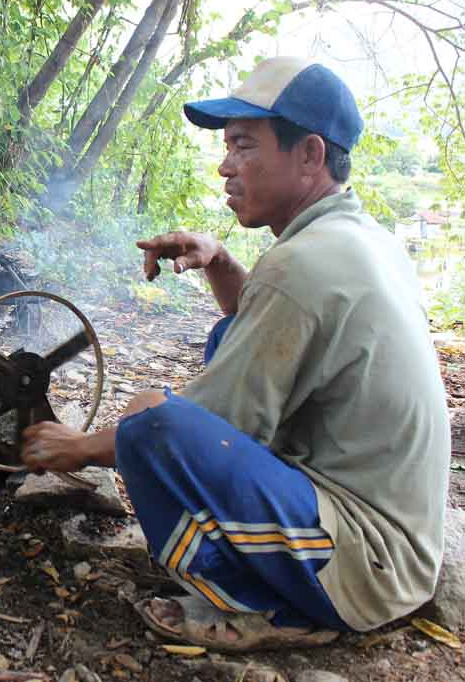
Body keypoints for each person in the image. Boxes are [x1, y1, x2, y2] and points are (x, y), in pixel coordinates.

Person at [23, 57, 449, 650]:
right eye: (227, 147)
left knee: (150, 426)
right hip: (395, 550)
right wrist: (220, 261)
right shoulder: (356, 239)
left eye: (245, 146)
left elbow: (209, 422)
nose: (226, 166)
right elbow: (280, 328)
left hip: (361, 563)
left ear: (310, 155)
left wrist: (80, 448)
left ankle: (265, 606)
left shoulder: (304, 264)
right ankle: (284, 580)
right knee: (228, 341)